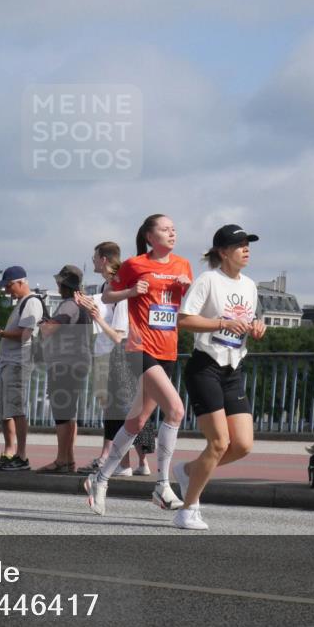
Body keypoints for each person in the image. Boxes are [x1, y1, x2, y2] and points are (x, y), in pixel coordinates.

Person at [85, 214, 192, 515]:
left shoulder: (183, 265)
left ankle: (100, 478)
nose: (172, 232)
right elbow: (107, 295)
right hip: (139, 347)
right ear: (149, 235)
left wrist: (186, 287)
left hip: (168, 349)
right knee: (176, 410)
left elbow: (182, 307)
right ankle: (162, 485)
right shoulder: (134, 265)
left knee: (137, 421)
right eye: (165, 229)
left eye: (174, 228)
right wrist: (132, 292)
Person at [173, 224, 266, 530]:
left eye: (248, 244)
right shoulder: (208, 280)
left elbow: (251, 320)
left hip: (233, 368)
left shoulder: (250, 286)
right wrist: (219, 324)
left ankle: (190, 471)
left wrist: (256, 328)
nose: (246, 249)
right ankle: (188, 508)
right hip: (205, 367)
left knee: (241, 445)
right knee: (218, 443)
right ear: (223, 252)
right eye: (240, 245)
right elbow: (184, 320)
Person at [77, 241, 151, 476]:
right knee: (125, 408)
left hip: (118, 353)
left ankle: (127, 462)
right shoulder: (109, 286)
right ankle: (136, 461)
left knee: (123, 409)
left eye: (95, 257)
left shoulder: (119, 288)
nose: (93, 261)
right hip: (111, 351)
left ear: (104, 259)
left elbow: (119, 332)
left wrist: (96, 317)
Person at [0, 266, 44, 472]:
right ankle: (10, 452)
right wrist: (0, 333)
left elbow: (25, 334)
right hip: (9, 361)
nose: (8, 291)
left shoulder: (32, 302)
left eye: (9, 286)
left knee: (16, 408)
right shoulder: (21, 303)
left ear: (21, 282)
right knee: (6, 408)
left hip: (19, 361)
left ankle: (22, 455)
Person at [36, 265, 92, 473]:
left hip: (65, 363)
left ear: (63, 284)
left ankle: (61, 460)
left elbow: (51, 328)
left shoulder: (69, 305)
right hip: (80, 362)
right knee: (69, 413)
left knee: (61, 413)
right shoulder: (83, 304)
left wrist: (43, 324)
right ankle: (69, 460)